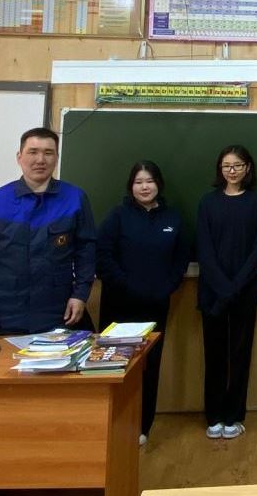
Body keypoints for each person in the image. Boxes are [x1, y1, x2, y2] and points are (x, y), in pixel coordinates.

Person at [0, 127, 96, 338]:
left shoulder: (75, 199)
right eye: (33, 152)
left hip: (58, 312)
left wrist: (80, 295)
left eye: (48, 153)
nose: (40, 160)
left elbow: (86, 251)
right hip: (5, 314)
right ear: (19, 157)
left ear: (56, 157)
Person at [96, 161, 189, 446]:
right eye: (138, 182)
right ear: (131, 186)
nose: (144, 187)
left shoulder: (173, 218)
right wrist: (127, 285)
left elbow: (181, 259)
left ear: (158, 184)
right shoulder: (117, 216)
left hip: (156, 303)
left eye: (149, 181)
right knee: (115, 364)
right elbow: (104, 256)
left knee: (149, 365)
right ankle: (113, 424)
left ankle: (142, 425)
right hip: (119, 303)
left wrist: (167, 286)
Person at [197, 145, 257, 440]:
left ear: (247, 168)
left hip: (244, 293)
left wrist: (234, 287)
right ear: (220, 169)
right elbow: (204, 249)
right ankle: (213, 415)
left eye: (238, 165)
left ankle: (234, 415)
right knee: (214, 356)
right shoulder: (208, 202)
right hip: (213, 294)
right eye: (227, 165)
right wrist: (224, 288)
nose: (232, 170)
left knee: (240, 356)